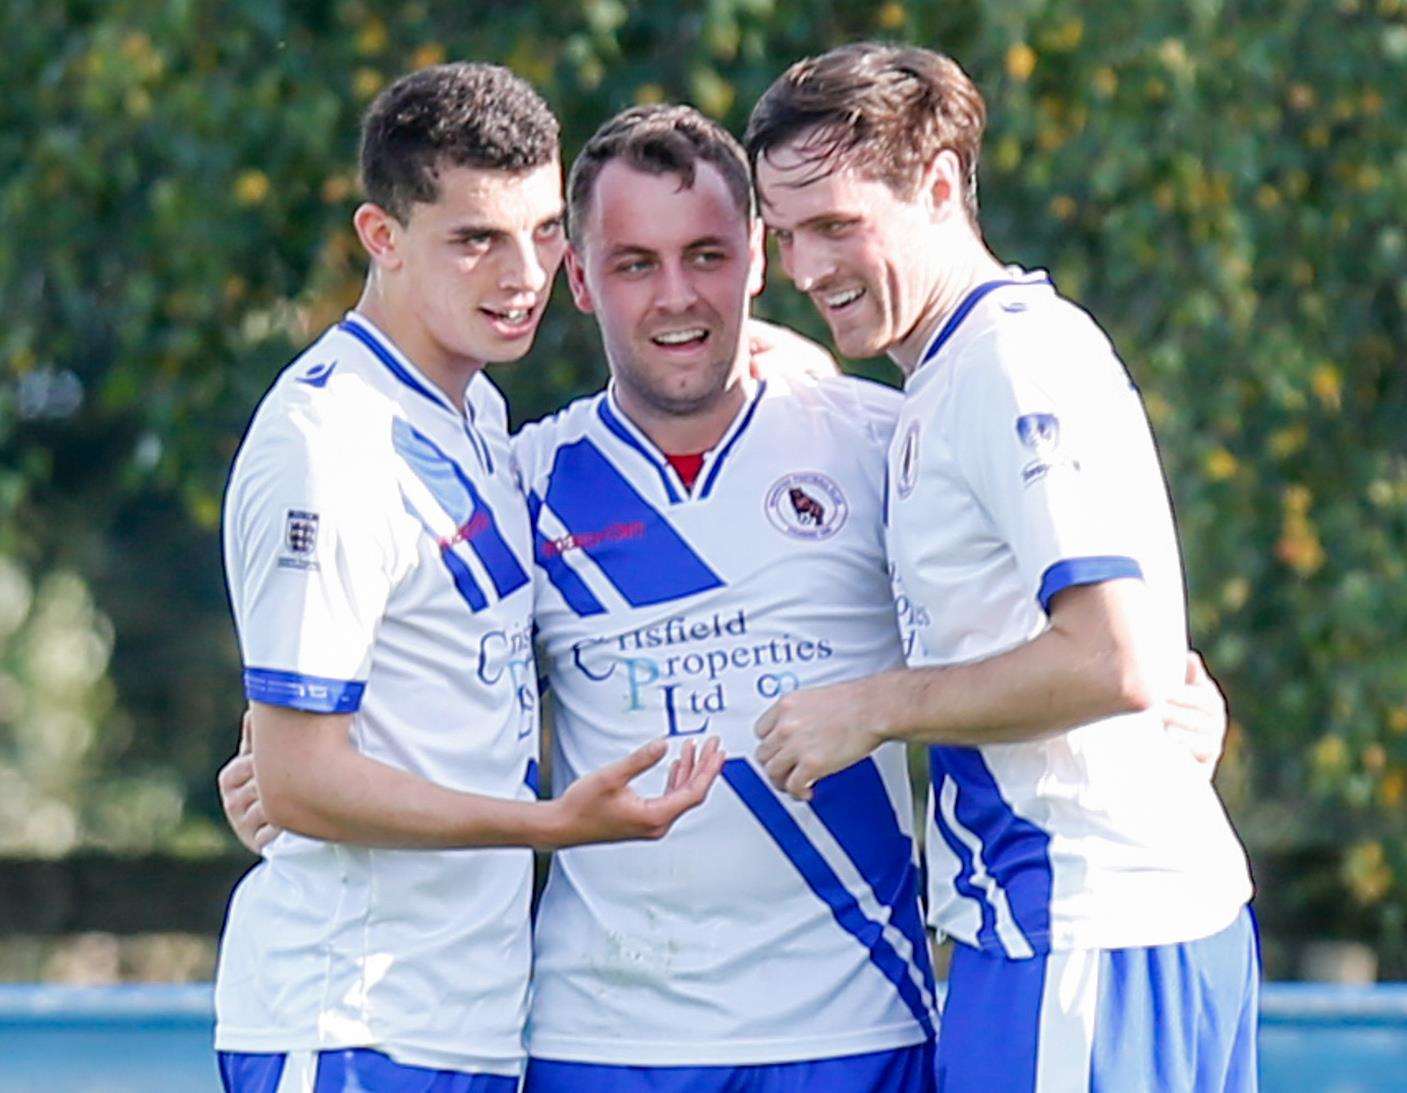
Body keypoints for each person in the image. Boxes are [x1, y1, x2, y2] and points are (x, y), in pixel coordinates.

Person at [223, 97, 1232, 1093]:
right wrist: (264, 762)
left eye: (706, 256)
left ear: (758, 254)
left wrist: (1176, 701)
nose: (676, 298)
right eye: (634, 264)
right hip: (603, 1036)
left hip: (859, 1019)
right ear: (580, 278)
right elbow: (381, 668)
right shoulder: (518, 476)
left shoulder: (886, 442)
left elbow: (1065, 617)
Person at [743, 43, 1257, 1091]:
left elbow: (1117, 658)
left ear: (939, 187)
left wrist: (872, 707)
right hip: (1099, 933)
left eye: (838, 225)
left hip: (1084, 935)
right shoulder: (960, 367)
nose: (805, 270)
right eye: (785, 234)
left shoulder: (1012, 360)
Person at [215, 63, 721, 1093]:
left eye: (543, 233)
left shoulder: (477, 414)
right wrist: (549, 827)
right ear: (381, 237)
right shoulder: (329, 440)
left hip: (471, 1027)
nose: (523, 274)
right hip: (349, 1021)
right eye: (477, 238)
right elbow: (300, 777)